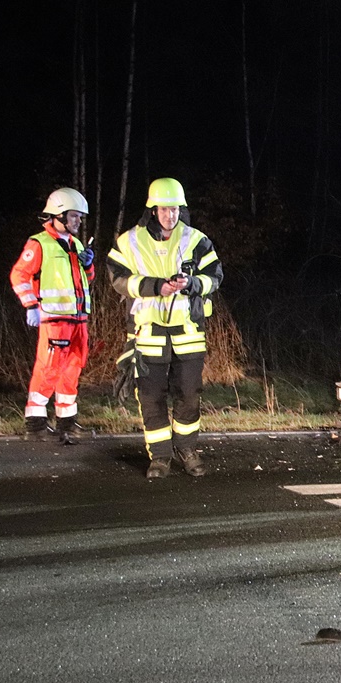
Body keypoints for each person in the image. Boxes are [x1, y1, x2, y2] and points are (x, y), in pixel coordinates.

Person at [107, 178, 224, 479]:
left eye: (174, 209)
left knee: (189, 394)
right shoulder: (130, 241)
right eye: (163, 209)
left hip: (188, 333)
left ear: (180, 209)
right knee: (150, 396)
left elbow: (215, 277)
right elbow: (118, 278)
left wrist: (192, 284)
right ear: (152, 209)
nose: (169, 215)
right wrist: (155, 286)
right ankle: (159, 457)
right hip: (148, 333)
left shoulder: (197, 240)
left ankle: (186, 450)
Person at [9, 187, 94, 442]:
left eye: (80, 217)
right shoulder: (39, 243)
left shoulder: (76, 243)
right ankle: (35, 424)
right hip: (55, 319)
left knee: (72, 369)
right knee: (49, 369)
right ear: (59, 215)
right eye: (74, 216)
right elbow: (19, 275)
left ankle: (66, 422)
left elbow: (87, 281)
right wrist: (31, 305)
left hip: (78, 318)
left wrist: (89, 264)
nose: (78, 221)